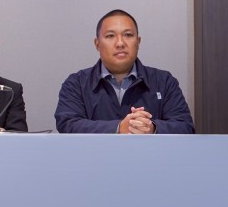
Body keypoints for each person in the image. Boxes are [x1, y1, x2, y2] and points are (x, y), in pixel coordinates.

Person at [55, 9, 195, 134]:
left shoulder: (164, 81)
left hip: (149, 155)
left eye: (128, 35)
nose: (120, 43)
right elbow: (68, 124)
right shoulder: (76, 84)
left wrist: (151, 128)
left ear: (138, 41)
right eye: (110, 36)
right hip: (96, 156)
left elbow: (185, 126)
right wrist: (118, 128)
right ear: (97, 44)